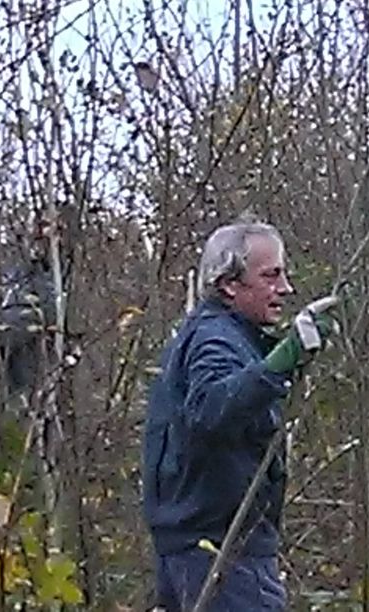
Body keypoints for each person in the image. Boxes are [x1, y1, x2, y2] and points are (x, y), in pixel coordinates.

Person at [141, 220, 338, 611]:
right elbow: (211, 410)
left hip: (204, 548)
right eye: (271, 276)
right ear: (230, 284)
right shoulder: (214, 339)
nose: (285, 289)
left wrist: (284, 362)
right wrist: (280, 363)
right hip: (220, 552)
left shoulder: (226, 337)